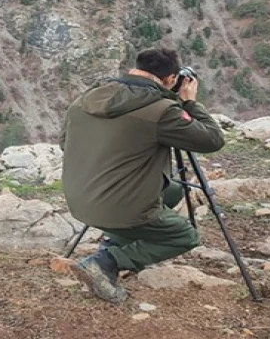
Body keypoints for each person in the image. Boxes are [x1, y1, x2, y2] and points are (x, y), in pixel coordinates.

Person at [59, 47, 225, 303]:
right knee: (184, 235)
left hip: (79, 198)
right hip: (116, 206)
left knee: (173, 189)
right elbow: (212, 139)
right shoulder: (162, 111)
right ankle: (106, 261)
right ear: (171, 79)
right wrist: (189, 102)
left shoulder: (86, 99)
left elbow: (64, 143)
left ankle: (118, 240)